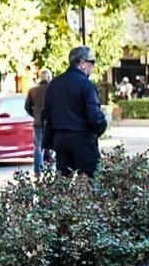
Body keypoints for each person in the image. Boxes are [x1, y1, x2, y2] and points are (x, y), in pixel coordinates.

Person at [40, 46, 108, 176]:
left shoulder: (54, 84)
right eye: (92, 62)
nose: (93, 67)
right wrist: (99, 129)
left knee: (63, 184)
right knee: (92, 182)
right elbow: (95, 117)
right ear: (82, 63)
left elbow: (45, 115)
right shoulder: (87, 86)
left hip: (60, 140)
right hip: (83, 140)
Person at [25, 69, 53, 174]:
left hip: (37, 123)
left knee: (38, 147)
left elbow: (27, 107)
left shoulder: (32, 90)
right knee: (52, 145)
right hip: (51, 122)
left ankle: (38, 171)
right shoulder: (52, 89)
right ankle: (51, 170)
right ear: (49, 77)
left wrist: (35, 115)